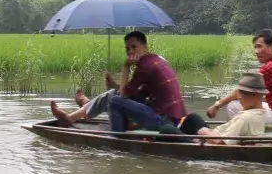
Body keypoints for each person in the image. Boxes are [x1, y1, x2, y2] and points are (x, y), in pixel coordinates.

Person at [50, 31, 186, 131]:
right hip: (173, 115)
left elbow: (124, 95)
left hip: (164, 120)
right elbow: (140, 92)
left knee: (113, 100)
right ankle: (81, 111)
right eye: (127, 48)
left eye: (134, 47)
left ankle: (76, 118)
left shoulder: (145, 66)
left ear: (145, 47)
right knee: (114, 92)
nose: (130, 51)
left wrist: (125, 66)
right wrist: (115, 85)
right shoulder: (156, 59)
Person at [206, 29, 272, 126]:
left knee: (233, 106)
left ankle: (241, 140)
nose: (256, 51)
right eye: (255, 47)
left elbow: (241, 91)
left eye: (259, 46)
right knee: (249, 105)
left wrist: (217, 105)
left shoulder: (271, 67)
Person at [161, 72, 268, 144]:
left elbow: (221, 142)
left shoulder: (246, 118)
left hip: (214, 143)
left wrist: (204, 132)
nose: (239, 97)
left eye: (243, 94)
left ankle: (187, 141)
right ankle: (186, 138)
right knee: (193, 118)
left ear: (257, 95)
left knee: (166, 129)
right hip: (216, 135)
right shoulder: (256, 113)